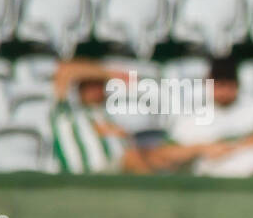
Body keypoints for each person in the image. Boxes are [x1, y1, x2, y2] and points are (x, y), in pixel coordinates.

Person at [49, 59, 212, 174]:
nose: (95, 90)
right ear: (79, 90)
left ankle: (208, 153)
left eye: (99, 85)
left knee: (166, 153)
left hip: (118, 170)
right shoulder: (66, 114)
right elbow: (65, 71)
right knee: (133, 158)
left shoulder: (106, 117)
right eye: (89, 86)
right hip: (89, 173)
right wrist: (108, 73)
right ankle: (158, 200)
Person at [167, 57, 253, 177]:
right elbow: (167, 153)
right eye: (218, 83)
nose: (224, 89)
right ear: (207, 83)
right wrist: (202, 148)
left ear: (237, 84)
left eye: (228, 83)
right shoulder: (192, 116)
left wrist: (233, 146)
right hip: (214, 178)